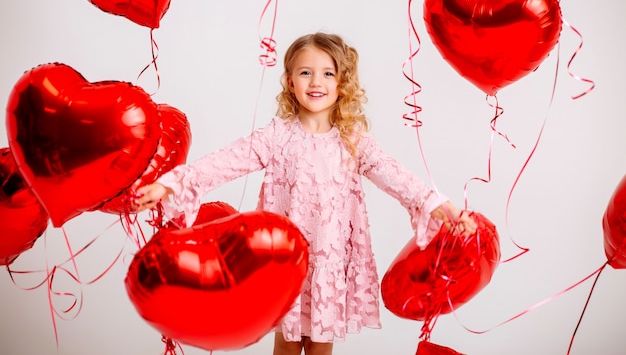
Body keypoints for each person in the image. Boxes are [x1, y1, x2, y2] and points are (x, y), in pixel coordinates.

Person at [133, 32, 477, 355]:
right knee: (286, 340)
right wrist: (171, 183)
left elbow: (398, 178)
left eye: (328, 73)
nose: (316, 82)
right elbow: (225, 161)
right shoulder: (276, 136)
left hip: (328, 261)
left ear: (342, 84)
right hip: (284, 261)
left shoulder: (353, 141)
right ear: (289, 81)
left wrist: (438, 205)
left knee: (320, 344)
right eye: (306, 72)